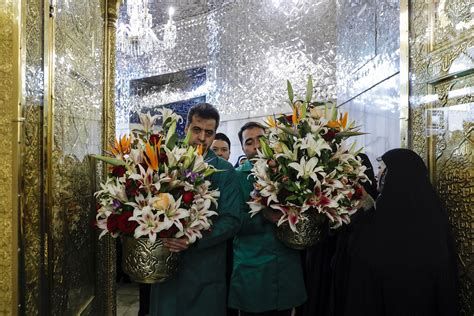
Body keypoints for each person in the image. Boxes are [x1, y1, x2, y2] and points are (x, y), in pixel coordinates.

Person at [149, 103, 242, 316]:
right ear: (186, 129)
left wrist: (193, 239)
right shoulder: (167, 162)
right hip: (166, 264)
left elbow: (232, 220)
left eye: (209, 133)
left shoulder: (224, 170)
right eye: (197, 130)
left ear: (215, 134)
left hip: (205, 268)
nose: (202, 137)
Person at [343, 148, 459, 315]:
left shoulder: (385, 220)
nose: (376, 175)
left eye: (381, 169)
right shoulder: (430, 215)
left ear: (397, 175)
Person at [228, 122, 307, 316]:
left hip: (285, 265)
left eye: (261, 139)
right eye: (249, 142)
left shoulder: (287, 171)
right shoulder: (237, 178)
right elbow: (235, 222)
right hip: (252, 267)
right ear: (243, 148)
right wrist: (265, 214)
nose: (256, 146)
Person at [300, 153, 378, 316]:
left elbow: (371, 210)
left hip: (352, 260)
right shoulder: (325, 183)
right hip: (324, 254)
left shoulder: (372, 202)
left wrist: (363, 201)